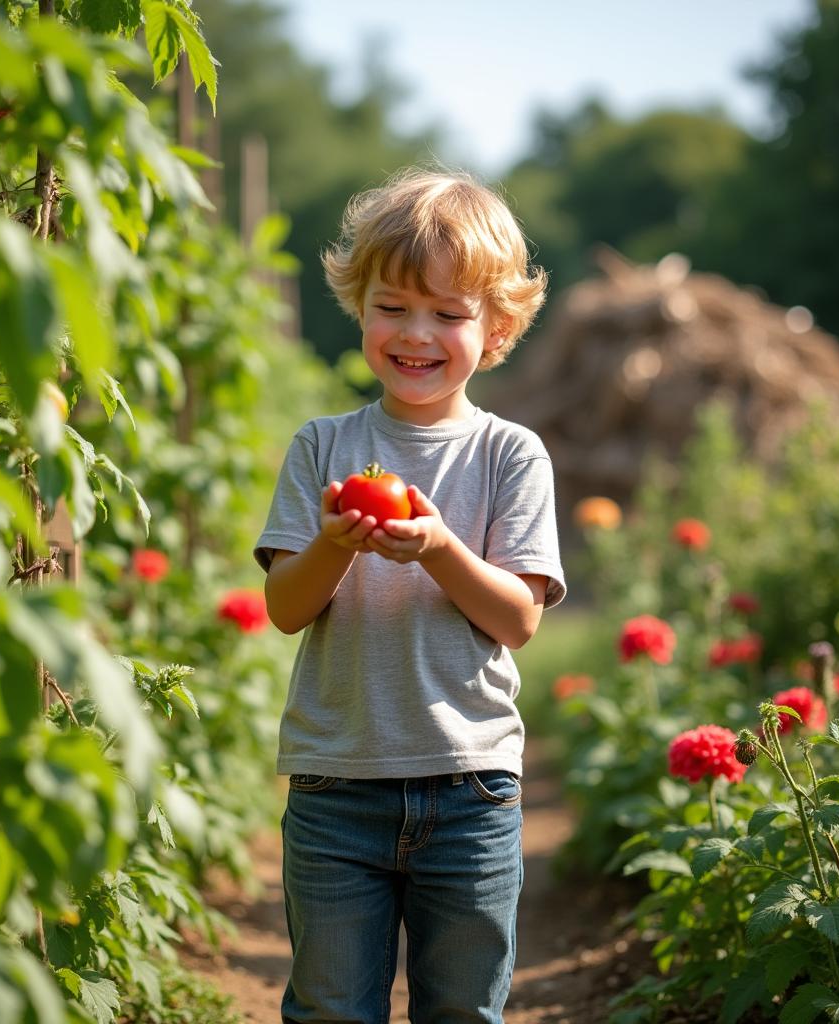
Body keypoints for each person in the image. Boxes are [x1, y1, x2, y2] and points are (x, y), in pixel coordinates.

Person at [254, 167, 567, 1023]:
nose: (415, 333)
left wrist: (436, 548)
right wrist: (333, 543)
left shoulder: (511, 456)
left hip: (472, 787)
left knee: (463, 1010)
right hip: (336, 786)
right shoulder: (324, 446)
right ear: (360, 308)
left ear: (496, 330)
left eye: (448, 314)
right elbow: (286, 609)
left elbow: (520, 617)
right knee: (329, 1008)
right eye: (392, 306)